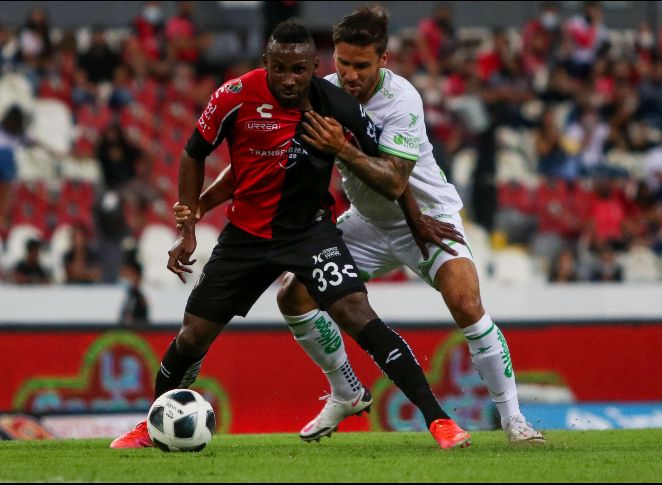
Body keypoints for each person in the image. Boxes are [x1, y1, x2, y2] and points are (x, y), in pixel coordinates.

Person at [174, 8, 544, 445]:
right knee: (293, 297)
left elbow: (394, 180)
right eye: (343, 62)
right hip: (368, 222)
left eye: (361, 65)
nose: (349, 74)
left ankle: (514, 420)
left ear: (383, 60)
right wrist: (201, 204)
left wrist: (342, 149)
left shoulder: (402, 99)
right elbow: (258, 164)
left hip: (428, 220)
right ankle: (345, 389)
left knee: (466, 303)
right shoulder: (319, 92)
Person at [111, 20, 470, 450]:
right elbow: (195, 154)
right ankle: (152, 424)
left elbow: (391, 171)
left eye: (298, 70)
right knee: (193, 335)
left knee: (358, 314)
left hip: (309, 233)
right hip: (245, 237)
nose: (288, 79)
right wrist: (189, 226)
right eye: (279, 68)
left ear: (314, 67)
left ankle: (439, 420)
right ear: (266, 62)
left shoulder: (335, 103)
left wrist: (415, 218)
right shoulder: (234, 95)